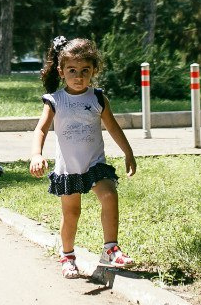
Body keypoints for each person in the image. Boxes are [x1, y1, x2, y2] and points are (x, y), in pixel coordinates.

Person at [29, 36, 138, 278]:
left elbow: (113, 128)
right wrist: (36, 154)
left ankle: (111, 248)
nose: (78, 76)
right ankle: (67, 255)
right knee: (72, 213)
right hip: (69, 168)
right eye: (72, 70)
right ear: (61, 71)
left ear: (94, 71)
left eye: (85, 70)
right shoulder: (55, 100)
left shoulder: (98, 98)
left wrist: (128, 152)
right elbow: (41, 129)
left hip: (95, 164)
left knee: (109, 194)